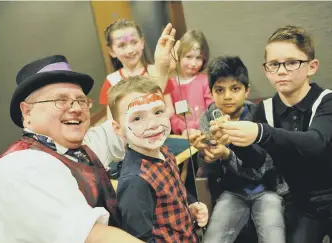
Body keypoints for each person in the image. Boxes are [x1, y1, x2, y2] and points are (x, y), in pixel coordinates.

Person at [0, 22, 179, 243]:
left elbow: (134, 119)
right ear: (27, 112)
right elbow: (94, 236)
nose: (75, 107)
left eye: (81, 100)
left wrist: (161, 70)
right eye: (60, 100)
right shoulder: (22, 166)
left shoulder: (84, 147)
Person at [218, 25, 332, 242]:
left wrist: (261, 132)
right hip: (301, 204)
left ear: (312, 66)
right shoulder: (266, 108)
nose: (281, 70)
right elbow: (257, 159)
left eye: (291, 62)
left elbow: (315, 143)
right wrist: (233, 142)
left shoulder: (326, 101)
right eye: (274, 64)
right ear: (266, 70)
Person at [189, 56, 287, 243]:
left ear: (246, 90)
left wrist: (227, 154)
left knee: (274, 237)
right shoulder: (207, 119)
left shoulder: (259, 114)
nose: (227, 96)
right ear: (211, 92)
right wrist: (204, 153)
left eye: (235, 88)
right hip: (232, 192)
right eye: (219, 89)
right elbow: (211, 168)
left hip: (266, 189)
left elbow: (263, 168)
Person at [108, 75, 209, 243]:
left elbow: (174, 193)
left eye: (158, 112)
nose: (153, 124)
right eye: (137, 118)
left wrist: (191, 206)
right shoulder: (135, 181)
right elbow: (140, 239)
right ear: (118, 129)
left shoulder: (164, 151)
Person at [99, 19, 175, 120]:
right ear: (111, 51)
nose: (130, 50)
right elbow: (111, 119)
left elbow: (169, 109)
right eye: (122, 45)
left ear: (142, 42)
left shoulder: (159, 72)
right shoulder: (111, 81)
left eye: (134, 42)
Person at [169, 29, 213, 136]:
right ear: (179, 55)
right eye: (188, 57)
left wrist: (198, 127)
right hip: (182, 137)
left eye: (198, 58)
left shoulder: (205, 81)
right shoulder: (171, 83)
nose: (193, 63)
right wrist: (184, 129)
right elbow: (171, 115)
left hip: (204, 134)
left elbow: (211, 108)